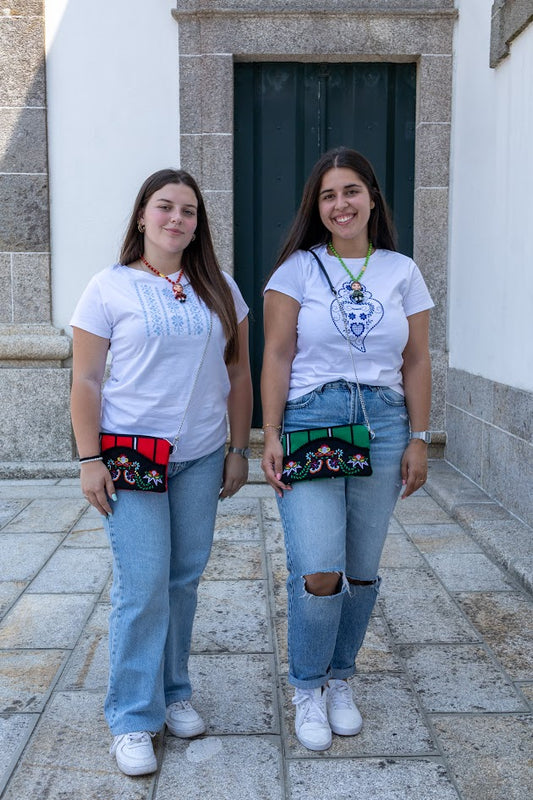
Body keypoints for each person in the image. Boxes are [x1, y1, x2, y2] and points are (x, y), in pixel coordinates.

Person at [70, 168, 252, 775]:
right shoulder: (108, 287)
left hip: (200, 457)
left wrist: (236, 448)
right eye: (165, 207)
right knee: (143, 585)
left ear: (200, 224)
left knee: (182, 581)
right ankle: (131, 716)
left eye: (189, 211)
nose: (177, 219)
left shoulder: (221, 288)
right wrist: (90, 459)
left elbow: (240, 375)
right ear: (142, 216)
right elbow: (87, 381)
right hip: (131, 458)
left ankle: (173, 693)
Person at [261, 147, 433, 751]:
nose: (341, 205)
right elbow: (277, 356)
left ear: (372, 200)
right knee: (320, 567)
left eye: (352, 191)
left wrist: (418, 435)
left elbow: (415, 359)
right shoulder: (296, 271)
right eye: (329, 195)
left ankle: (341, 678)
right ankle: (307, 685)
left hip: (384, 423)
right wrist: (271, 433)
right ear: (318, 205)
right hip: (313, 418)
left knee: (361, 570)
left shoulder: (401, 271)